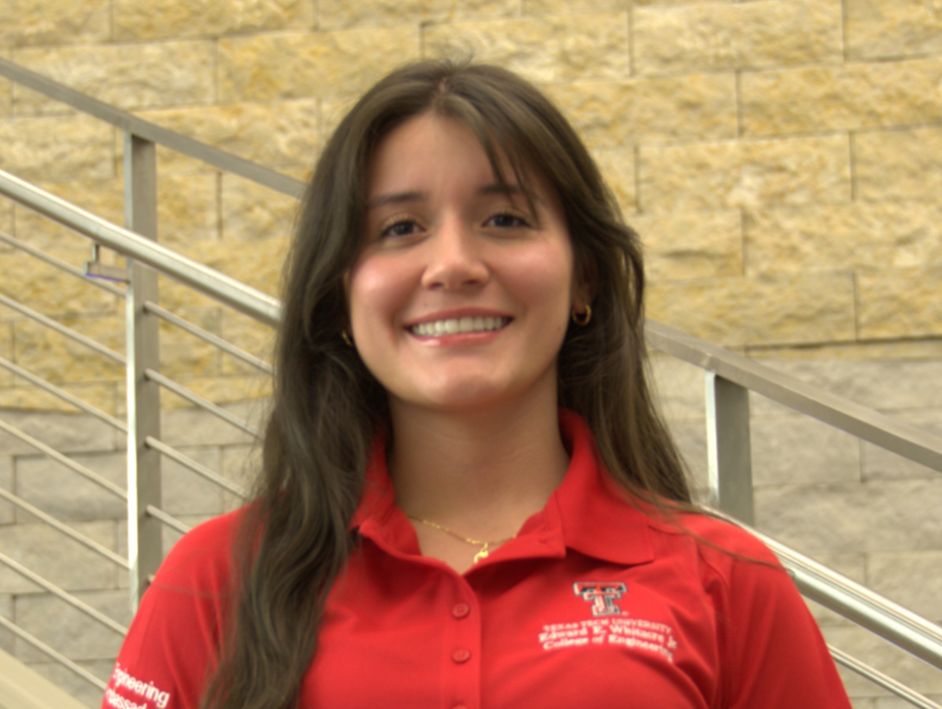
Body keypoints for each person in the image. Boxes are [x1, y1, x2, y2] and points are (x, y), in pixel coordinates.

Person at [102, 60, 852, 709]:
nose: (453, 262)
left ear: (583, 272)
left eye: (504, 218)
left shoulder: (727, 580)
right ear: (339, 293)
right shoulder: (213, 578)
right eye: (400, 228)